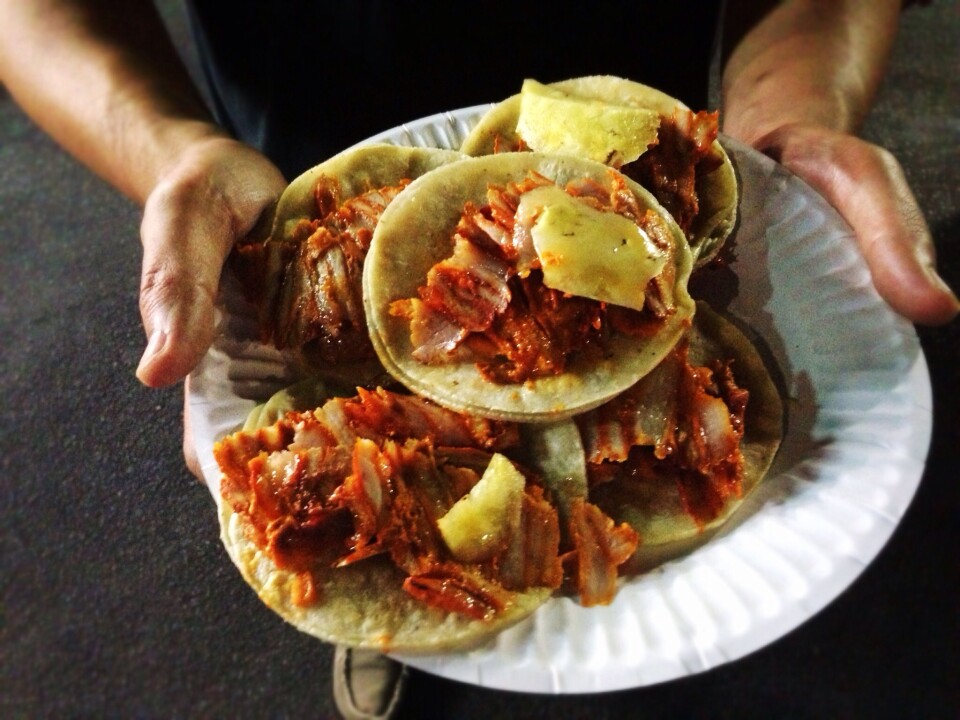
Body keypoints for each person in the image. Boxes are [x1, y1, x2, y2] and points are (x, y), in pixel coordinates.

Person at [1, 1, 956, 718]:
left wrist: (784, 123)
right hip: (285, 167)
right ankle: (408, 648)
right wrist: (175, 151)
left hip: (621, 121)